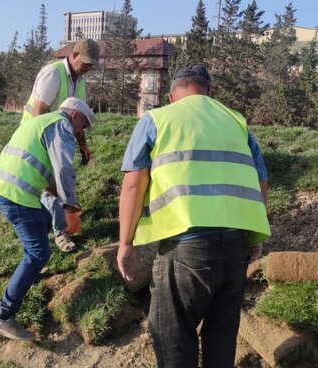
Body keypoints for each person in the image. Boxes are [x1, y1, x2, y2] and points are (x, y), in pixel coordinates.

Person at [116, 65, 271, 367]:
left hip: (186, 246)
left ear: (172, 96)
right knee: (222, 337)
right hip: (236, 247)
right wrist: (253, 234)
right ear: (209, 92)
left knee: (173, 338)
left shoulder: (156, 120)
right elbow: (260, 184)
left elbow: (133, 184)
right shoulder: (237, 122)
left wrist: (125, 243)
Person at [0, 97, 96, 341]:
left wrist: (70, 205)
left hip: (1, 184)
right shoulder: (61, 126)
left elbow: (49, 176)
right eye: (83, 125)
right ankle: (1, 316)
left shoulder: (45, 121)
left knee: (45, 219)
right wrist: (69, 207)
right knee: (38, 252)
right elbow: (64, 169)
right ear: (75, 116)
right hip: (16, 193)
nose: (81, 132)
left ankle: (32, 270)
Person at [22, 38, 100, 253]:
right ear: (74, 55)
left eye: (92, 65)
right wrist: (50, 148)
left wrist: (82, 144)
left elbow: (78, 115)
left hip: (59, 136)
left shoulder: (80, 80)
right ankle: (60, 232)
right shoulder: (53, 73)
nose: (89, 68)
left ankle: (52, 223)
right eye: (86, 63)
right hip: (40, 137)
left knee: (53, 185)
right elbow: (39, 111)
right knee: (54, 184)